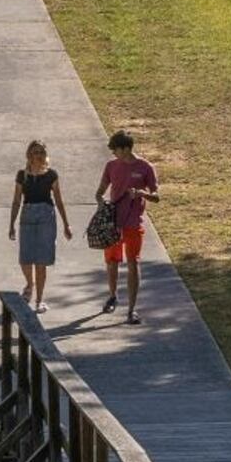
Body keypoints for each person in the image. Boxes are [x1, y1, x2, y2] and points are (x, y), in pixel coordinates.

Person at [95, 129, 161, 324]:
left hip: (133, 223)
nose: (114, 154)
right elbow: (99, 193)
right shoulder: (111, 166)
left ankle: (132, 309)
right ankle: (112, 296)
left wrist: (141, 193)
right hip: (114, 223)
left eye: (115, 150)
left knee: (133, 263)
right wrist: (101, 204)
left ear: (125, 149)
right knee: (112, 262)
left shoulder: (145, 167)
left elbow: (157, 196)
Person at [8, 140, 63, 309]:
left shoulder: (51, 175)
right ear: (29, 155)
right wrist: (11, 224)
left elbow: (59, 200)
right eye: (34, 152)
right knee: (25, 259)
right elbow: (17, 200)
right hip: (28, 215)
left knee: (41, 261)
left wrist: (67, 224)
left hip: (46, 216)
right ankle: (29, 285)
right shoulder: (22, 175)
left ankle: (39, 300)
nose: (38, 156)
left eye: (40, 152)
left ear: (45, 155)